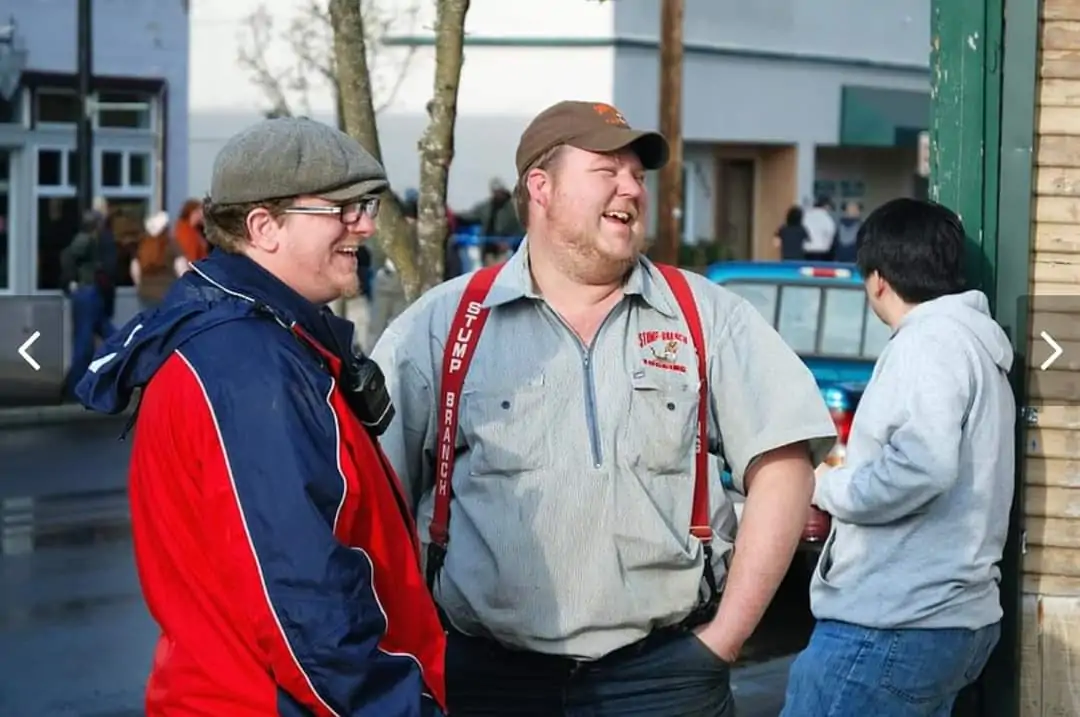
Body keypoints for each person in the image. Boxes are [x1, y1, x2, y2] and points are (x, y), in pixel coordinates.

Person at [371, 100, 837, 716]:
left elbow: (784, 462)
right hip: (486, 681)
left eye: (637, 176)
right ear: (541, 187)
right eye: (607, 171)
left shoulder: (703, 315)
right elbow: (374, 495)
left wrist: (725, 639)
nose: (630, 189)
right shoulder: (445, 324)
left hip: (665, 680)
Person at [73, 117, 446, 716]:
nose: (367, 225)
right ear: (264, 226)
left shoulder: (262, 342)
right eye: (343, 208)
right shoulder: (248, 364)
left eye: (366, 204)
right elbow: (301, 600)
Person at [781, 198, 1015, 717]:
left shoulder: (927, 343)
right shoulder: (974, 345)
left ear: (878, 279)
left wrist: (822, 486)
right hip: (946, 620)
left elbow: (921, 467)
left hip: (892, 624)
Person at [60, 209, 117, 399]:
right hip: (87, 293)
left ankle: (80, 386)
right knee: (85, 343)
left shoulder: (90, 240)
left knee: (110, 336)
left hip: (90, 293)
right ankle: (75, 389)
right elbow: (68, 256)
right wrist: (71, 283)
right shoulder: (86, 239)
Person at [130, 210, 184, 311]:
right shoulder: (171, 245)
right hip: (168, 293)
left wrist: (140, 285)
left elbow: (135, 269)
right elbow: (182, 270)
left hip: (146, 293)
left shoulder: (142, 246)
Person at [803, 195, 837, 261]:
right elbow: (830, 235)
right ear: (826, 206)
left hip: (806, 251)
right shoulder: (827, 219)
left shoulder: (805, 215)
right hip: (822, 253)